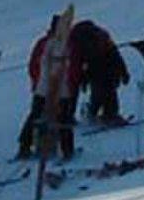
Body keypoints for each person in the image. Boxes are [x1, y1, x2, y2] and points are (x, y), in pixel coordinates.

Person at [16, 15, 77, 160]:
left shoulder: (44, 43)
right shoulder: (65, 45)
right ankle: (67, 150)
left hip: (43, 89)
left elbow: (33, 66)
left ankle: (25, 146)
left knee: (36, 116)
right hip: (58, 90)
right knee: (63, 118)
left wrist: (37, 82)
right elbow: (73, 67)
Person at [72, 19, 130, 124]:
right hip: (107, 68)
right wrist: (124, 72)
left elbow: (79, 61)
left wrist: (82, 79)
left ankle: (94, 113)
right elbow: (115, 54)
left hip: (95, 70)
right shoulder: (101, 34)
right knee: (109, 93)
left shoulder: (79, 39)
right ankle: (110, 115)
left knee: (98, 92)